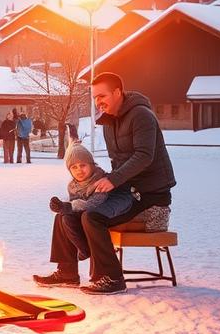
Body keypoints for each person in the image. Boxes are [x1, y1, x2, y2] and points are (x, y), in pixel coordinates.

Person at [38, 72, 176, 295]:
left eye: (102, 95)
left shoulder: (141, 115)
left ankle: (111, 277)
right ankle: (67, 272)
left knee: (93, 217)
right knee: (65, 212)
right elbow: (119, 162)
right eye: (94, 97)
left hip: (150, 193)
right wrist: (96, 181)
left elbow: (144, 156)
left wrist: (113, 180)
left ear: (118, 92)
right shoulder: (108, 122)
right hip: (126, 188)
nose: (98, 102)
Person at [34, 140, 133, 284]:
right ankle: (67, 273)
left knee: (84, 216)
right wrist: (61, 206)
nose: (79, 170)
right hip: (88, 215)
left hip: (110, 211)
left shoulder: (100, 180)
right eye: (74, 167)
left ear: (91, 164)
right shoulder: (73, 186)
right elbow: (74, 207)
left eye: (83, 165)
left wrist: (68, 207)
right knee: (62, 217)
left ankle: (90, 256)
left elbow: (94, 204)